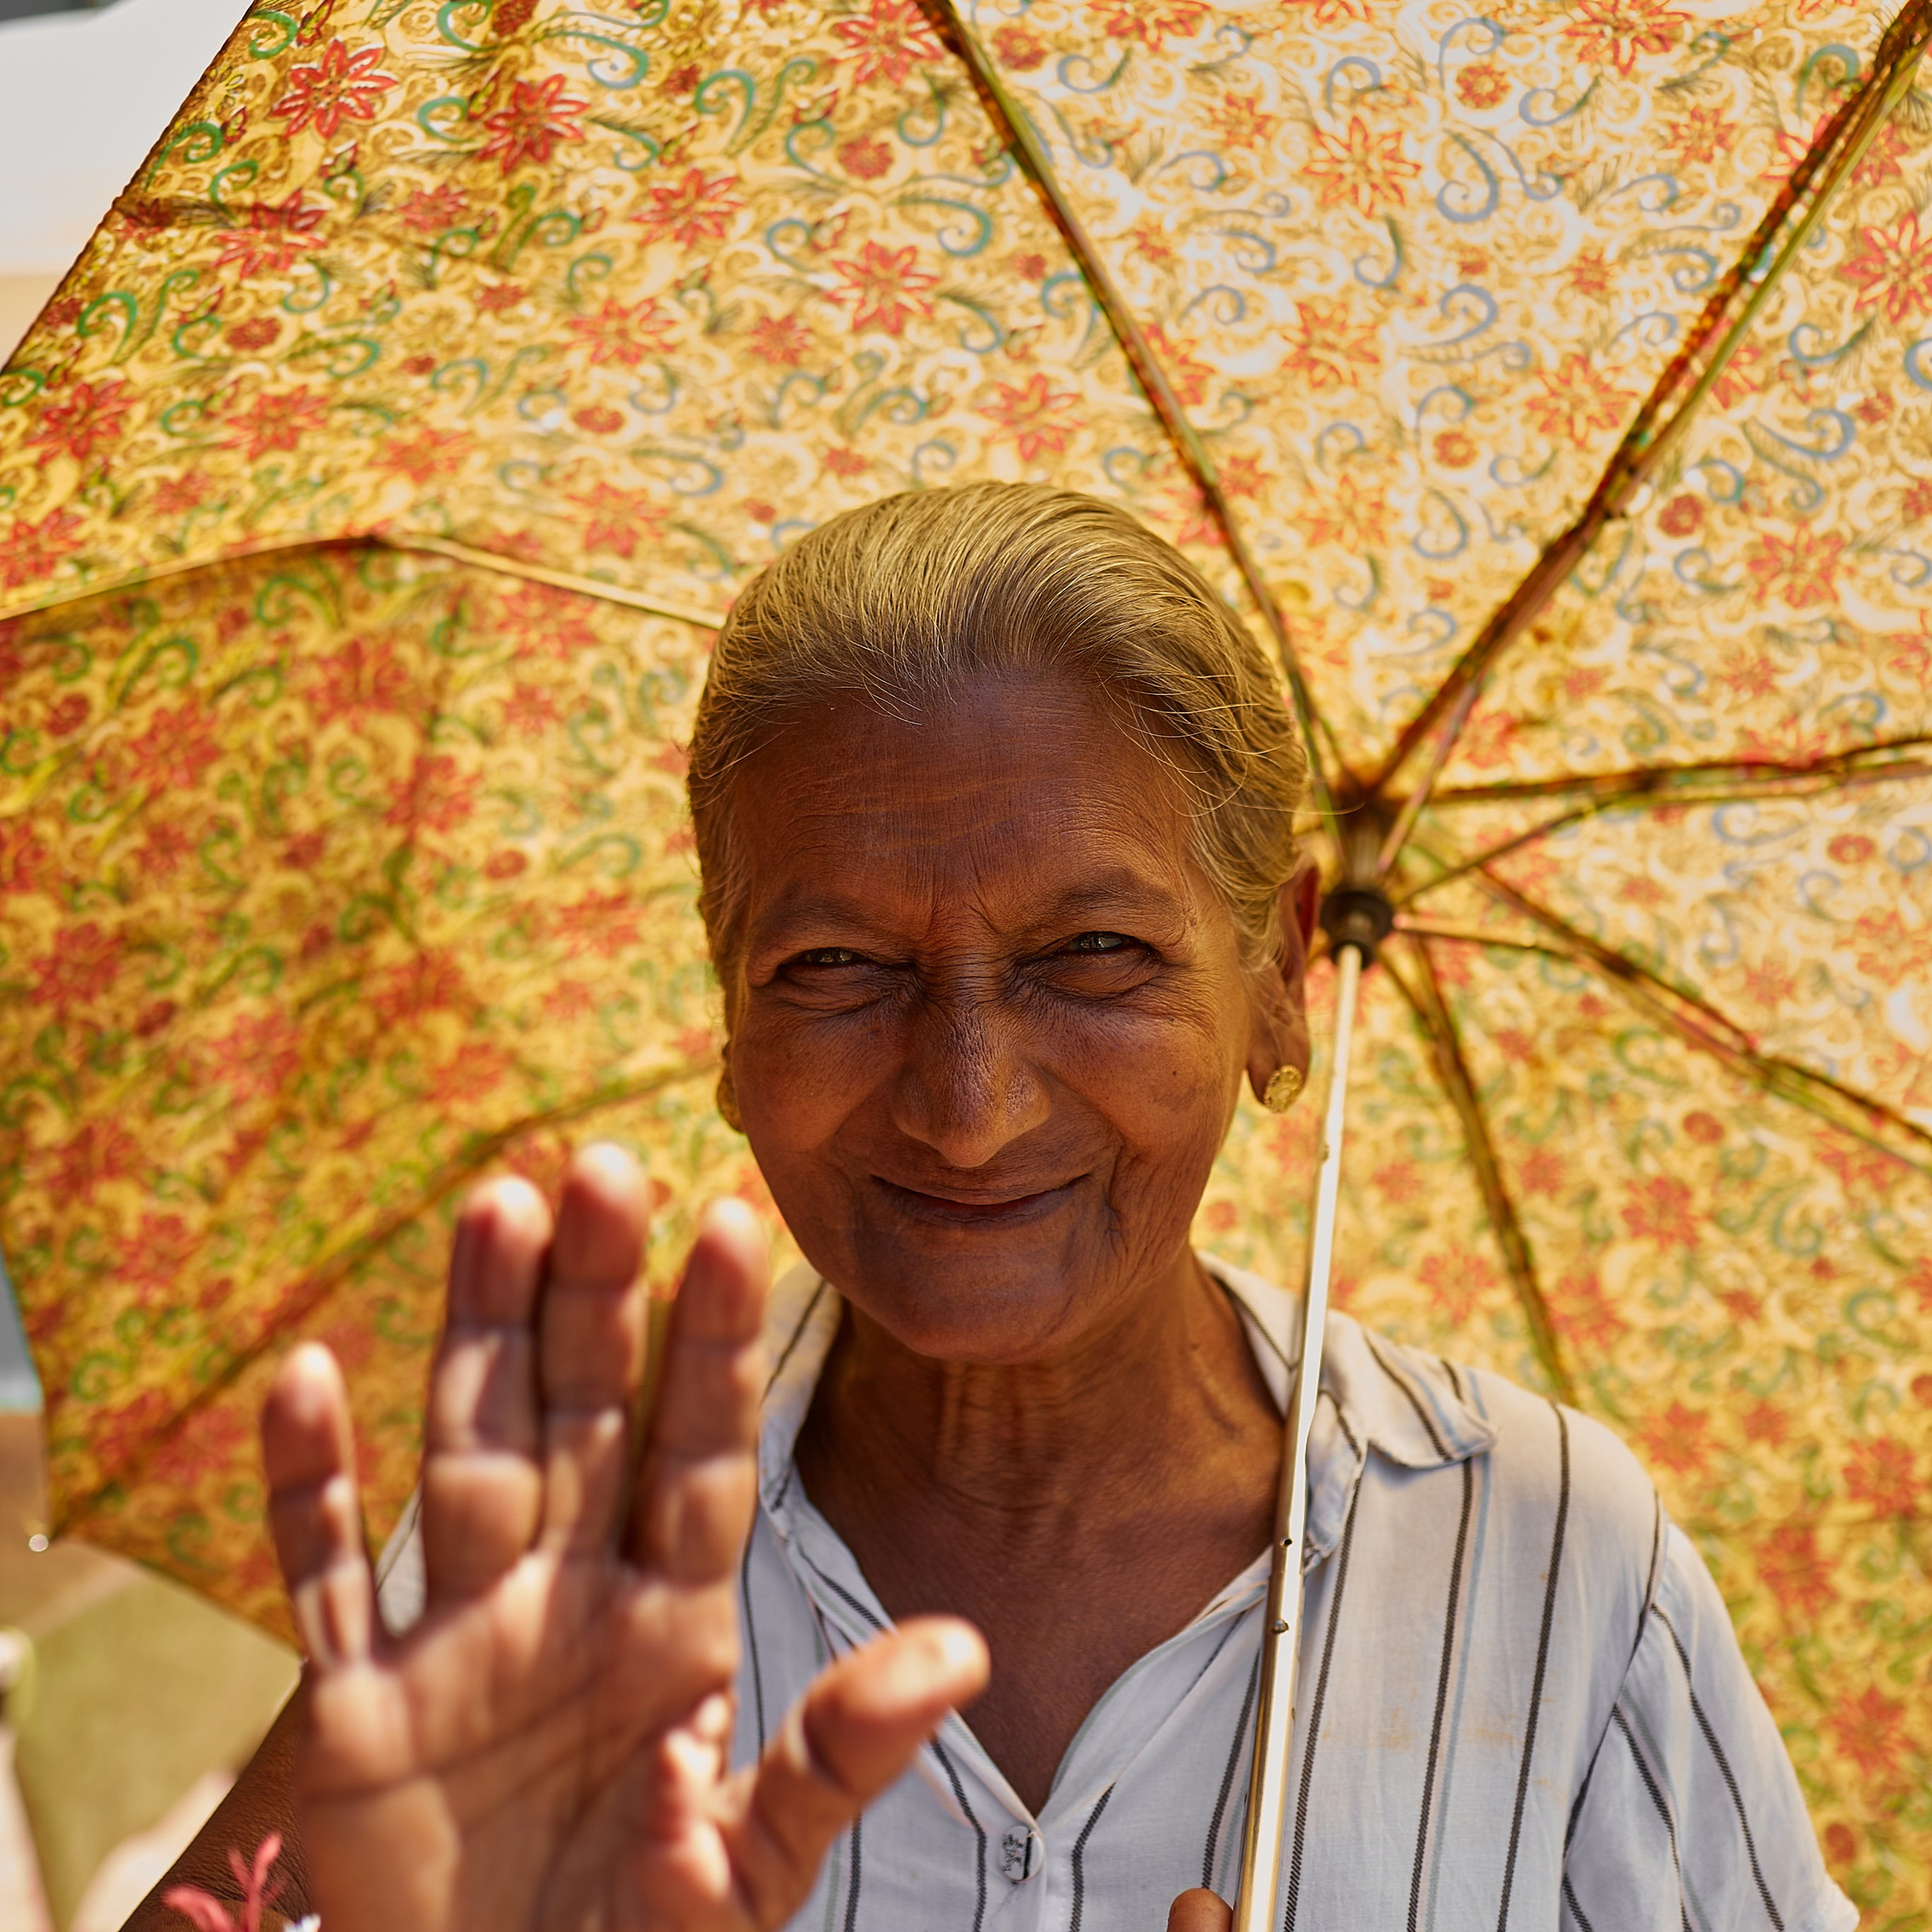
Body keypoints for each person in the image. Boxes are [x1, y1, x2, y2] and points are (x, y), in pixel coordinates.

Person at [133, 485, 1851, 1932]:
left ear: (1272, 972)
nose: (967, 1103)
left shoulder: (1542, 1552)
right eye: (836, 967)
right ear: (727, 1018)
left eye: (1091, 952)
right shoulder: (561, 1538)